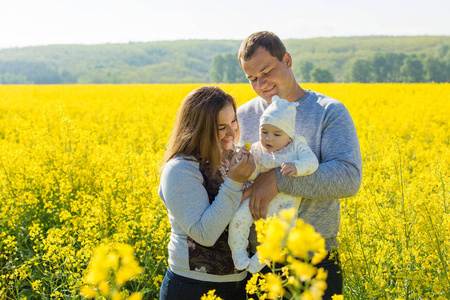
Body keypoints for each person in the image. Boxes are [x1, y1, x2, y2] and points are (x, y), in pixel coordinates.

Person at [237, 31, 363, 299]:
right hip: (258, 263)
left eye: (267, 71)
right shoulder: (244, 116)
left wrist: (279, 180)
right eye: (252, 79)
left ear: (288, 60)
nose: (261, 84)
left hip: (315, 261)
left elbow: (349, 176)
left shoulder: (328, 111)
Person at [158, 86, 255, 300]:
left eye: (233, 121)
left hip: (239, 284)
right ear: (199, 129)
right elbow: (205, 234)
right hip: (193, 287)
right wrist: (235, 182)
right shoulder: (180, 169)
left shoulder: (233, 158)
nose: (231, 132)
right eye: (221, 127)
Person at [228, 95, 318, 274]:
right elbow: (253, 175)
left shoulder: (296, 146)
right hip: (256, 200)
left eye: (277, 134)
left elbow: (312, 162)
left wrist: (297, 167)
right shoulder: (257, 149)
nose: (269, 139)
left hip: (284, 206)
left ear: (289, 136)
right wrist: (243, 159)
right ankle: (238, 254)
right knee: (238, 218)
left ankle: (258, 262)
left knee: (279, 237)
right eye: (264, 132)